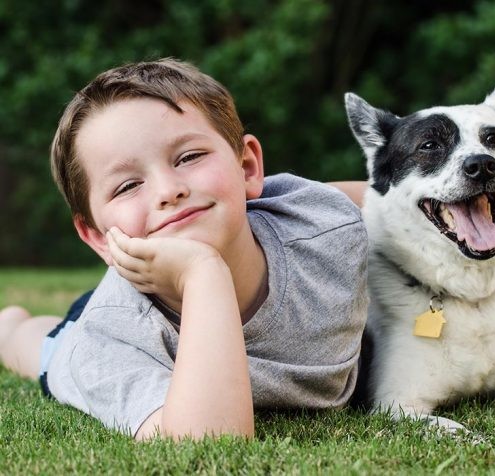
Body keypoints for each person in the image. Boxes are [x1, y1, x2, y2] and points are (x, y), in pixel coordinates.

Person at [0, 58, 369, 441]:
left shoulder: (324, 223)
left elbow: (396, 203)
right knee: (47, 347)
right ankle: (9, 327)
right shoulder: (105, 343)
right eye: (127, 186)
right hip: (119, 315)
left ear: (247, 168)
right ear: (95, 236)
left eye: (189, 157)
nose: (168, 191)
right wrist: (202, 272)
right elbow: (209, 443)